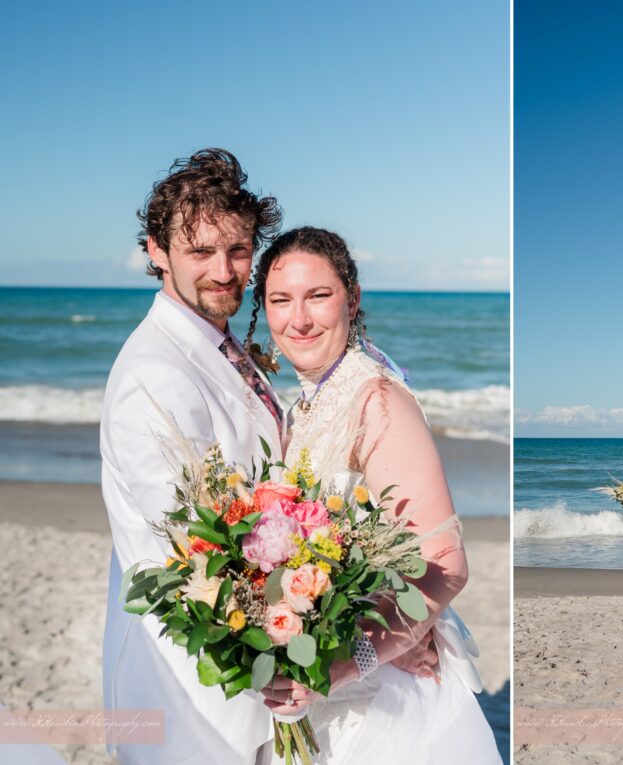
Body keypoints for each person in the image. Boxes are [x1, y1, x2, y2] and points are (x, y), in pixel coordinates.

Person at [101, 150, 446, 765]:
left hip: (282, 685)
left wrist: (398, 624)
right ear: (156, 251)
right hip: (199, 698)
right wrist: (370, 642)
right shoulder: (155, 375)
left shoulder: (223, 343)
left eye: (237, 251)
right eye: (200, 252)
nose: (224, 271)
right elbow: (194, 560)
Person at [244, 227, 501, 763]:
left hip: (380, 701)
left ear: (352, 299)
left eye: (319, 296)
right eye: (280, 300)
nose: (299, 319)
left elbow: (445, 565)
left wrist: (341, 665)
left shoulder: (376, 400)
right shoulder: (308, 402)